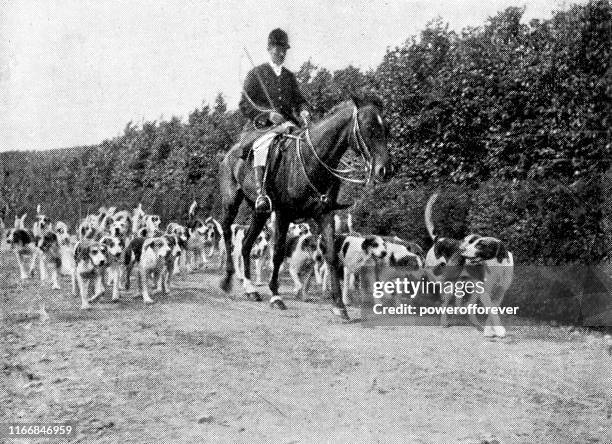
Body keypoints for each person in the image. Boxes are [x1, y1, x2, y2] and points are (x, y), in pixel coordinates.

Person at [239, 28, 311, 214]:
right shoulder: (256, 74)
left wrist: (303, 110)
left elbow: (299, 99)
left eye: (284, 50)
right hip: (263, 127)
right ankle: (261, 193)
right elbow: (244, 105)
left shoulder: (289, 77)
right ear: (269, 49)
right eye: (277, 49)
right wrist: (267, 115)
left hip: (287, 124)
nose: (281, 53)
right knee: (262, 146)